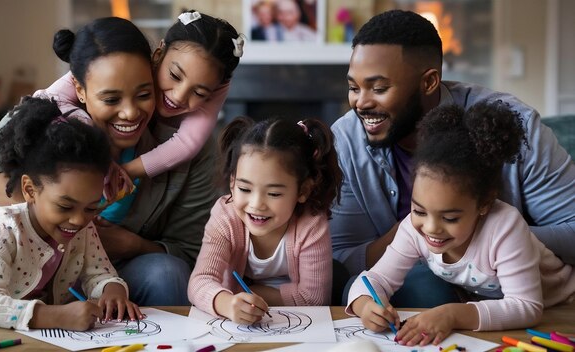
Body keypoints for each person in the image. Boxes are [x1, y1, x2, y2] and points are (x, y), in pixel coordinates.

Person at [0, 17, 219, 306]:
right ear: (80, 89)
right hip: (32, 267)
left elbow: (190, 251)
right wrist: (63, 216)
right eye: (111, 99)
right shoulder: (42, 117)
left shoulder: (186, 146)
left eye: (144, 94)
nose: (129, 113)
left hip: (114, 273)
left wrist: (131, 244)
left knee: (167, 273)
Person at [330, 9, 575, 307]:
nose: (361, 103)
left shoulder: (513, 124)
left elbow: (571, 229)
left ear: (429, 82)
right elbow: (343, 257)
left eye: (379, 88)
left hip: (517, 295)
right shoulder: (346, 141)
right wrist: (417, 234)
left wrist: (486, 236)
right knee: (364, 290)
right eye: (354, 88)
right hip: (413, 284)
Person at [346, 101, 575, 346]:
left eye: (450, 218)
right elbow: (375, 279)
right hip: (501, 316)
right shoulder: (414, 229)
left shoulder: (505, 227)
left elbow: (526, 307)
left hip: (560, 313)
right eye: (419, 210)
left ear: (484, 204)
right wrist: (365, 304)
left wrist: (452, 314)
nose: (431, 227)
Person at [0, 97, 144, 331]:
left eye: (91, 208)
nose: (79, 219)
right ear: (30, 190)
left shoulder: (83, 228)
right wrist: (57, 316)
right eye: (65, 206)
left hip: (34, 332)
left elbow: (99, 273)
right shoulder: (1, 226)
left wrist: (113, 290)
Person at [41, 10, 243, 183]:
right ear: (157, 55)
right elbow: (46, 99)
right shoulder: (123, 60)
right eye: (174, 75)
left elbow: (187, 144)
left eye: (199, 92)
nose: (179, 97)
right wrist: (89, 131)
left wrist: (124, 172)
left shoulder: (216, 91)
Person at [188, 117, 342, 324]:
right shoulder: (225, 216)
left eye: (274, 194)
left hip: (294, 324)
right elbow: (199, 282)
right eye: (244, 189)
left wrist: (248, 293)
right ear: (232, 182)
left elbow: (314, 299)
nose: (256, 204)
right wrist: (227, 303)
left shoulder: (311, 223)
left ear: (303, 190)